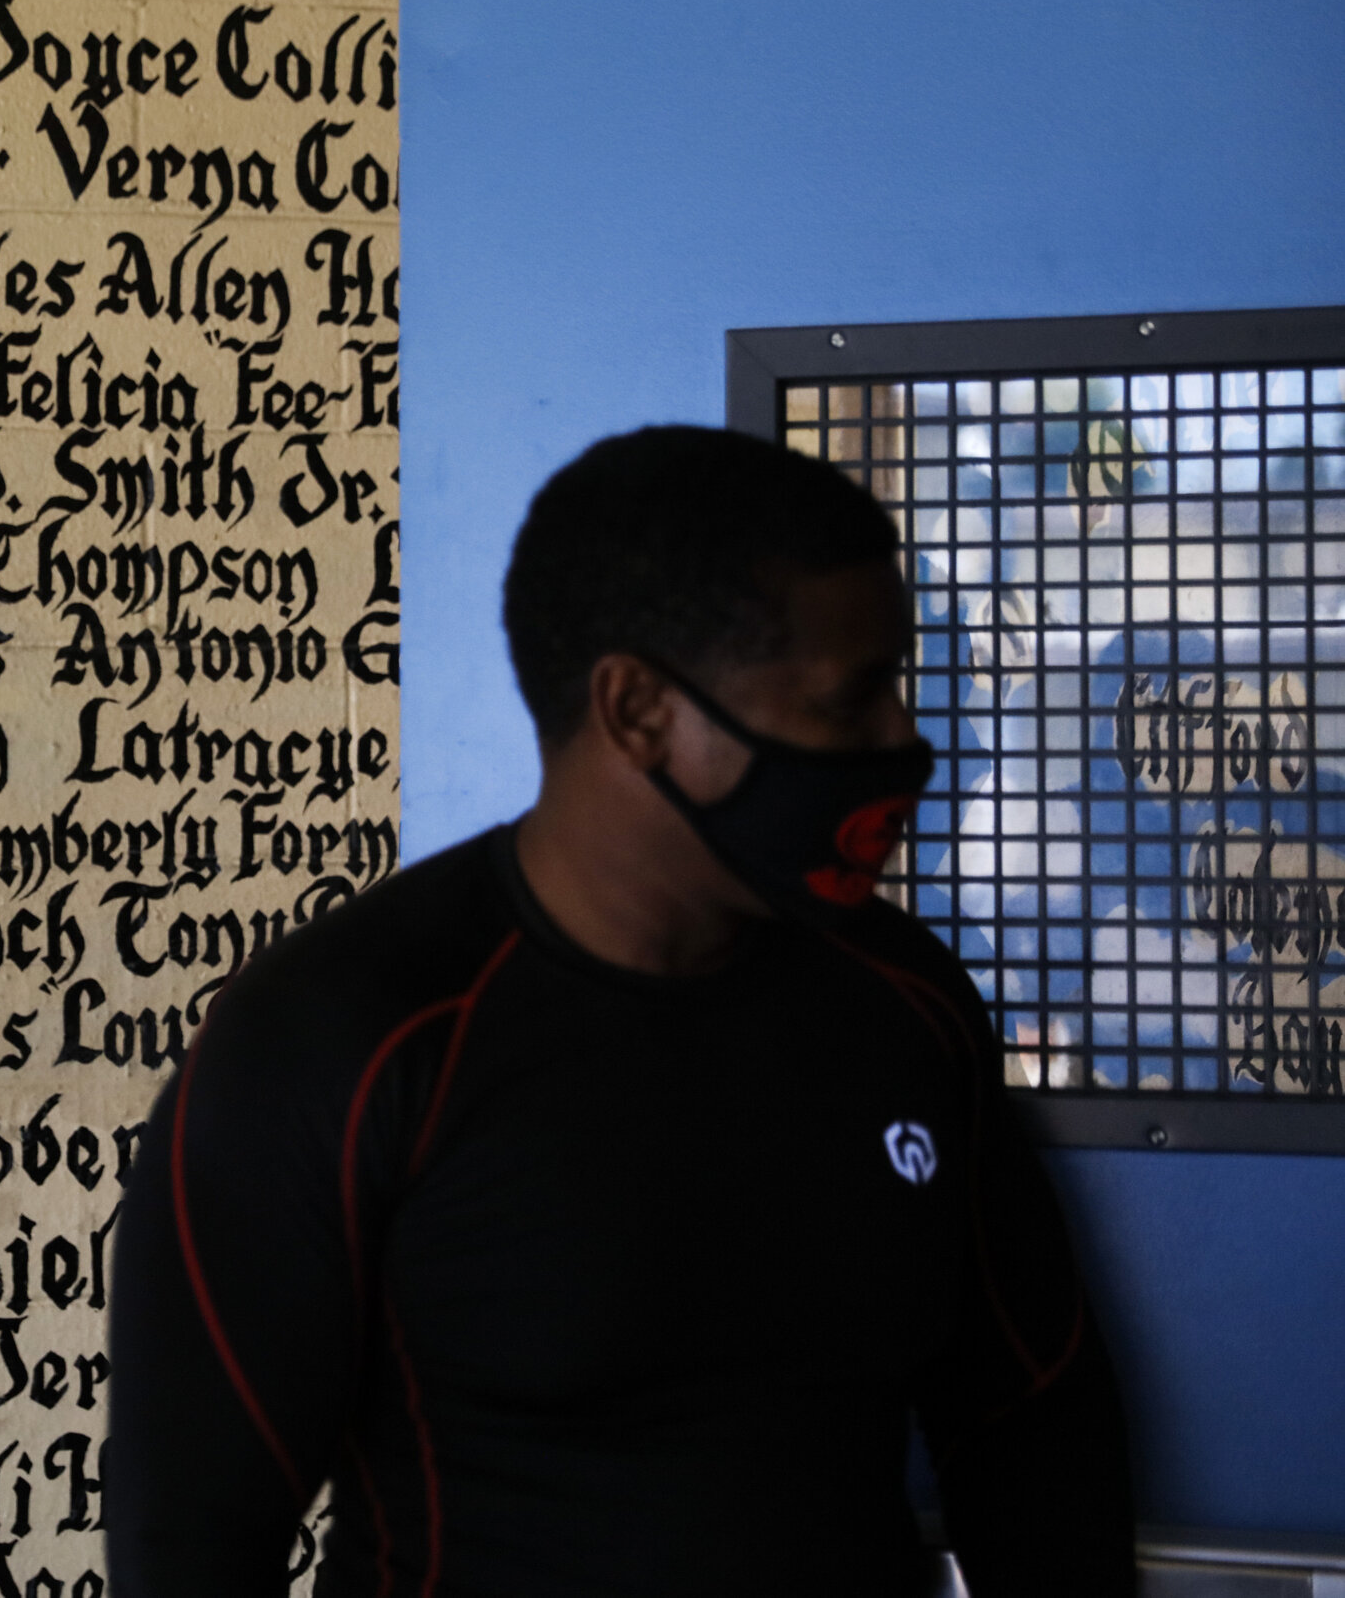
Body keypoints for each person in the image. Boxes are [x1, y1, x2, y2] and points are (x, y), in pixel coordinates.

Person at [105, 426, 1135, 1597]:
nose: (904, 740)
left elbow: (1036, 1427)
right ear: (638, 708)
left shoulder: (905, 1000)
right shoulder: (340, 1037)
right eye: (851, 701)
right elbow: (184, 1541)